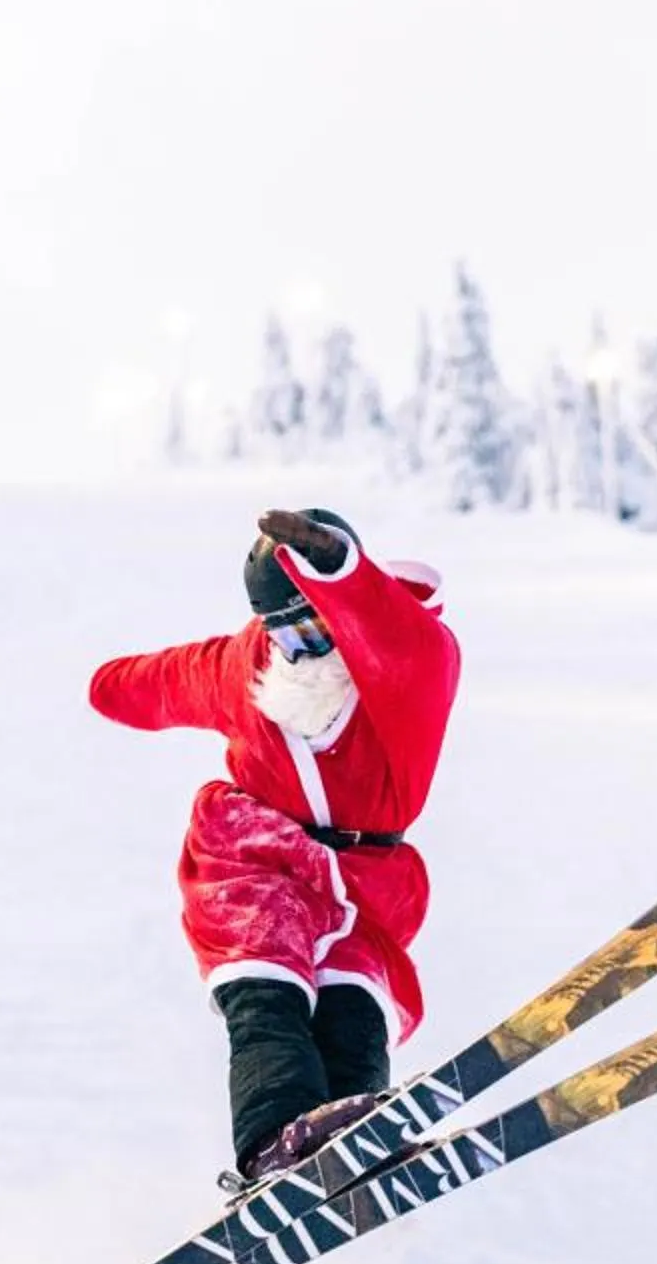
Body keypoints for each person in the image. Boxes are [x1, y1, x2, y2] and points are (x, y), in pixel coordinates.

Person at [88, 508, 461, 1185]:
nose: (303, 646)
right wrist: (107, 686)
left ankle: (354, 1137)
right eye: (285, 630)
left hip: (364, 874)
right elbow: (160, 682)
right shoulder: (248, 665)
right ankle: (271, 1140)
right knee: (267, 991)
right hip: (252, 852)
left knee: (353, 1005)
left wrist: (342, 572)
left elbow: (393, 636)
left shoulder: (409, 663)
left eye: (315, 625)